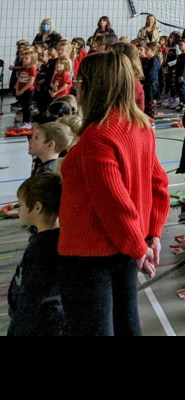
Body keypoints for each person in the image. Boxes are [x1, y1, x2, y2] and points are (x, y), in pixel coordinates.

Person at [58, 50, 168, 335]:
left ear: (95, 85)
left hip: (91, 254)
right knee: (127, 324)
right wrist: (151, 236)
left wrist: (139, 249)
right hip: (125, 248)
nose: (74, 85)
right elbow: (159, 185)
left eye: (79, 79)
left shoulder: (99, 135)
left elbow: (113, 203)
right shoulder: (140, 124)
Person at [7, 173, 64, 336]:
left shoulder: (41, 250)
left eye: (21, 205)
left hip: (38, 325)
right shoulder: (55, 240)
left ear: (37, 208)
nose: (19, 209)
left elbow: (31, 297)